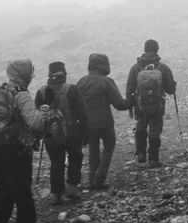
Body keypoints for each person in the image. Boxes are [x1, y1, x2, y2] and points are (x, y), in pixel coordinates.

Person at [0, 59, 48, 223]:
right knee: (21, 186)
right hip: (17, 148)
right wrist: (43, 112)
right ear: (25, 74)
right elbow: (35, 123)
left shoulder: (0, 90)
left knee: (2, 185)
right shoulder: (21, 95)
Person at [34, 61, 89, 205]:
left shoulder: (41, 92)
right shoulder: (72, 89)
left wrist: (37, 137)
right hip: (72, 132)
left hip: (51, 135)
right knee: (75, 157)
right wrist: (86, 133)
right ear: (64, 73)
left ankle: (57, 193)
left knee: (56, 163)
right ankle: (72, 187)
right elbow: (82, 113)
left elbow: (37, 116)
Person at [76, 52, 131, 189]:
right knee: (109, 146)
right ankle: (100, 179)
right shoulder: (107, 82)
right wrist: (132, 101)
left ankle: (92, 178)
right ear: (104, 66)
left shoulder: (81, 82)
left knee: (93, 148)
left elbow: (76, 105)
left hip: (87, 124)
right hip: (105, 123)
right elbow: (119, 104)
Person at [125, 38, 177, 167]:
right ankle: (153, 159)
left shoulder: (135, 68)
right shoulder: (163, 67)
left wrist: (130, 105)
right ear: (157, 50)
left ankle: (141, 153)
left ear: (144, 49)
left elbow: (129, 88)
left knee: (141, 126)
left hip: (140, 104)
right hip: (157, 104)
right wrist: (173, 85)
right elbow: (170, 90)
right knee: (155, 129)